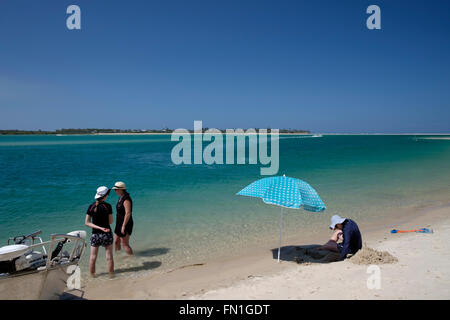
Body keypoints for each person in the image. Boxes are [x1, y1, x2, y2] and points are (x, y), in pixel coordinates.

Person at [85, 186, 114, 278]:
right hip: (107, 234)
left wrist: (98, 228)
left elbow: (87, 223)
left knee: (93, 257)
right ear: (105, 196)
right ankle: (111, 276)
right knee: (109, 257)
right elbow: (110, 222)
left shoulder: (91, 206)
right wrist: (102, 228)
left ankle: (92, 276)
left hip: (95, 235)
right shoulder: (108, 206)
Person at [112, 181, 134, 255]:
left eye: (116, 189)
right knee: (116, 241)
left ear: (121, 189)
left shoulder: (126, 199)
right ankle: (118, 258)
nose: (114, 191)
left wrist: (123, 226)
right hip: (119, 223)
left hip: (126, 223)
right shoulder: (121, 197)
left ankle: (132, 258)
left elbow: (128, 213)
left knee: (124, 244)